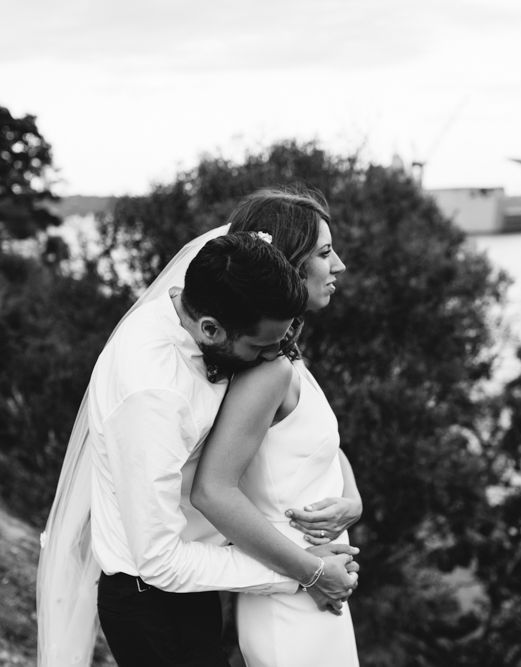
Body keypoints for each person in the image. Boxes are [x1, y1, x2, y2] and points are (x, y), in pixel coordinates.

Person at [36, 231, 359, 667]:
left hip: (196, 586)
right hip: (150, 606)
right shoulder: (152, 395)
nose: (272, 360)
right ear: (210, 328)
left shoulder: (209, 318)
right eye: (261, 347)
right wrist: (304, 573)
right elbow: (160, 561)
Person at [191, 188, 362, 666]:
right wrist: (311, 574)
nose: (340, 265)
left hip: (319, 589)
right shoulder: (268, 374)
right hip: (291, 598)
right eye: (326, 253)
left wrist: (352, 501)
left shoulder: (287, 358)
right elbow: (213, 490)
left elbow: (318, 447)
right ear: (290, 265)